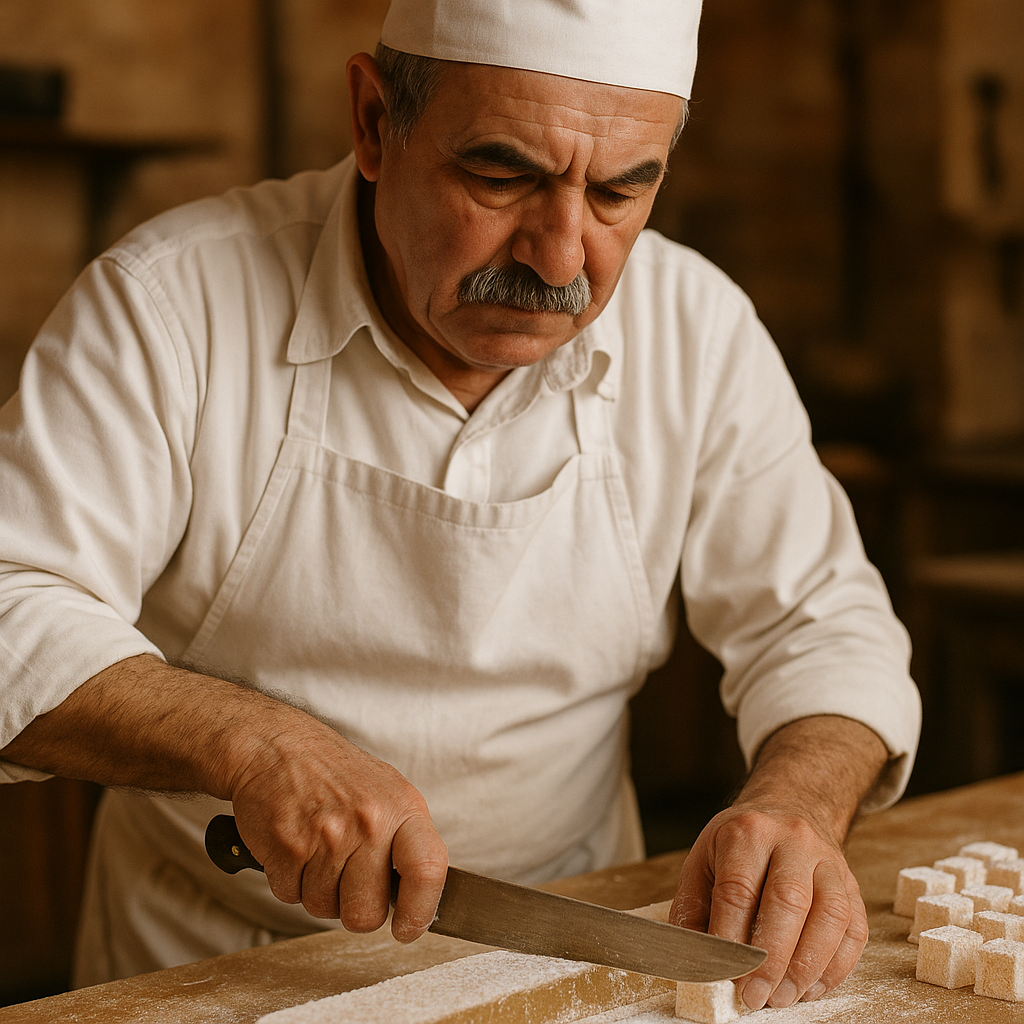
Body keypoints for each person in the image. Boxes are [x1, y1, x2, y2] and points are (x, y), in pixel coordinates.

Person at [0, 0, 920, 1011]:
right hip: (213, 965)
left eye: (619, 192)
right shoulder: (171, 308)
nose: (561, 258)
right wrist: (256, 744)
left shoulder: (695, 331)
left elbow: (824, 624)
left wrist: (798, 802)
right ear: (371, 121)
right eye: (501, 175)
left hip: (566, 957)